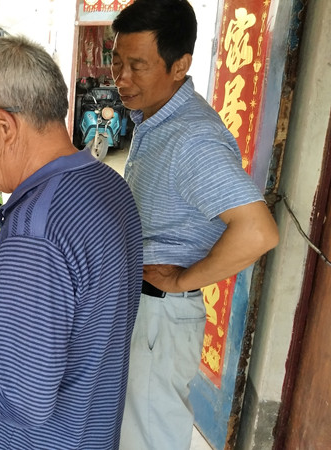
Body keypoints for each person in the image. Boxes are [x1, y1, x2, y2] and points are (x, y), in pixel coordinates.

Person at [0, 35, 144, 449]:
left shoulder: (34, 232)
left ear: (3, 127)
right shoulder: (108, 185)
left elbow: (21, 402)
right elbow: (71, 309)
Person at [109, 1, 281, 448]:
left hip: (158, 314)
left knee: (148, 437)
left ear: (180, 65)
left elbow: (258, 231)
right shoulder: (155, 122)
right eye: (116, 61)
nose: (121, 77)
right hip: (141, 308)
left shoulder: (192, 137)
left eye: (137, 65)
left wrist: (183, 279)